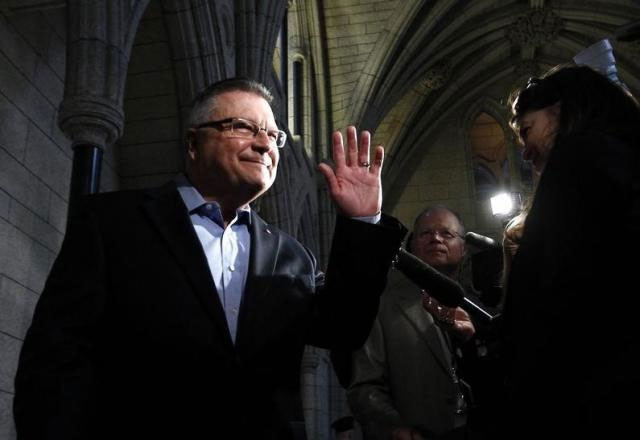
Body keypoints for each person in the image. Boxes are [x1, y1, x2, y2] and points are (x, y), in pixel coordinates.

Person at [13, 78, 406, 440]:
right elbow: (56, 359)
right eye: (243, 127)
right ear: (192, 143)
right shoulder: (113, 222)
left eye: (272, 134)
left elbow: (344, 329)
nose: (265, 144)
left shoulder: (291, 255)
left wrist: (361, 222)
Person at [498, 65, 640, 438]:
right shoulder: (621, 155)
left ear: (560, 110)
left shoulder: (581, 157)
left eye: (526, 130)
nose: (526, 153)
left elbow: (555, 290)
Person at [347, 206, 476, 440]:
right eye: (426, 233)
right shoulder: (383, 304)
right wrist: (394, 428)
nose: (436, 238)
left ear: (464, 248)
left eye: (446, 234)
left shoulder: (479, 308)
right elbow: (365, 388)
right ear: (411, 246)